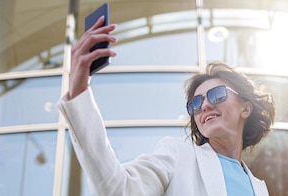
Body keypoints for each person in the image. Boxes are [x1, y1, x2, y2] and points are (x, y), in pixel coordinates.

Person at [58, 16, 276, 196]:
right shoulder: (178, 156)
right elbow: (118, 189)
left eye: (217, 95)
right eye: (196, 103)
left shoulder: (260, 187)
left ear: (245, 109)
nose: (205, 106)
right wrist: (79, 92)